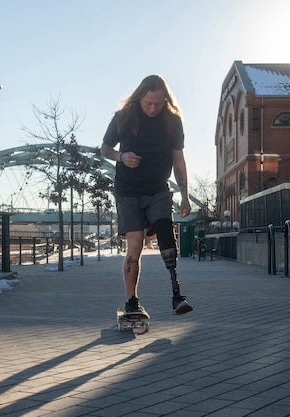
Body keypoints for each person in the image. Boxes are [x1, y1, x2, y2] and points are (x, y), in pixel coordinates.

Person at [100, 75, 194, 315]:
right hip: (128, 190)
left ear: (166, 100)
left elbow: (178, 161)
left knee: (166, 233)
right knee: (135, 244)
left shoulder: (172, 122)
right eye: (148, 103)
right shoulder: (123, 118)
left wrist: (184, 195)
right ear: (140, 97)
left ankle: (177, 296)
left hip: (158, 188)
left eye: (158, 104)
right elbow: (105, 149)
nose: (153, 108)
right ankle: (132, 301)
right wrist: (121, 157)